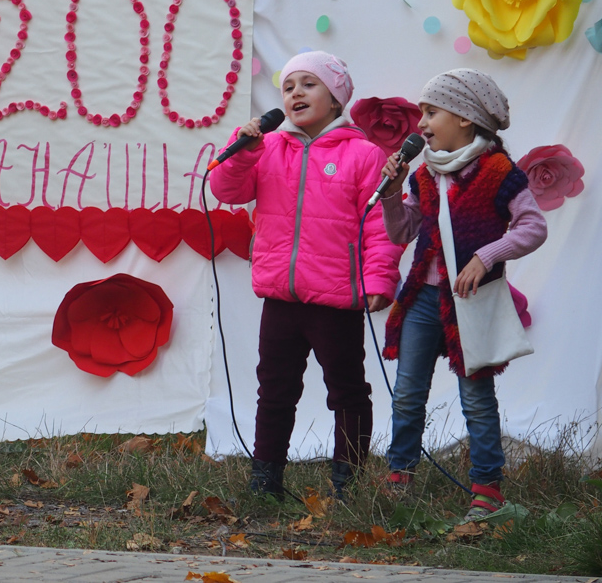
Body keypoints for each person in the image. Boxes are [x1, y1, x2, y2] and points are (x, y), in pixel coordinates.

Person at [208, 50, 402, 500]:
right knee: (274, 390)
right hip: (281, 296)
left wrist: (378, 280)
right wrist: (242, 151)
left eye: (308, 84)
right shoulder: (269, 147)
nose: (295, 93)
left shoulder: (365, 155)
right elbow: (226, 189)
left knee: (346, 391)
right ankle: (266, 479)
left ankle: (347, 483)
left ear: (336, 99)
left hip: (336, 299)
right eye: (289, 86)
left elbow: (381, 229)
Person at [378, 68, 547, 521]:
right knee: (408, 392)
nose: (422, 124)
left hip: (470, 303)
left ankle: (487, 488)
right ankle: (399, 474)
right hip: (422, 300)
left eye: (432, 112)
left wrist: (488, 255)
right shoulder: (426, 173)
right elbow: (403, 232)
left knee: (476, 396)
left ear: (466, 119)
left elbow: (533, 227)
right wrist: (393, 194)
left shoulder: (498, 171)